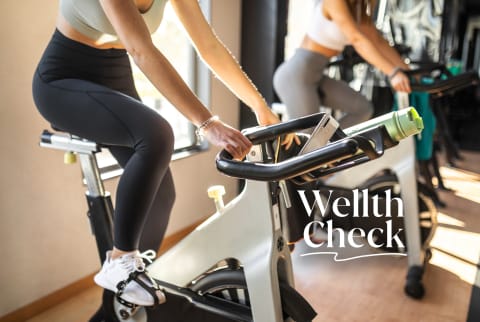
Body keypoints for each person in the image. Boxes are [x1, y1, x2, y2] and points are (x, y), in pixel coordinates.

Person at [32, 0, 294, 306]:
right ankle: (120, 261)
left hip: (115, 74)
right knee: (157, 134)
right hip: (62, 80)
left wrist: (260, 106)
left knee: (161, 193)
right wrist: (206, 122)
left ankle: (117, 302)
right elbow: (142, 50)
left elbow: (208, 44)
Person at [273, 0, 412, 129]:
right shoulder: (334, 1)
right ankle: (322, 148)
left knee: (363, 109)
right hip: (296, 76)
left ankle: (328, 146)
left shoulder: (357, 7)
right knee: (310, 141)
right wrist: (393, 73)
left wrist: (407, 71)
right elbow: (356, 39)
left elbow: (377, 40)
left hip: (316, 76)